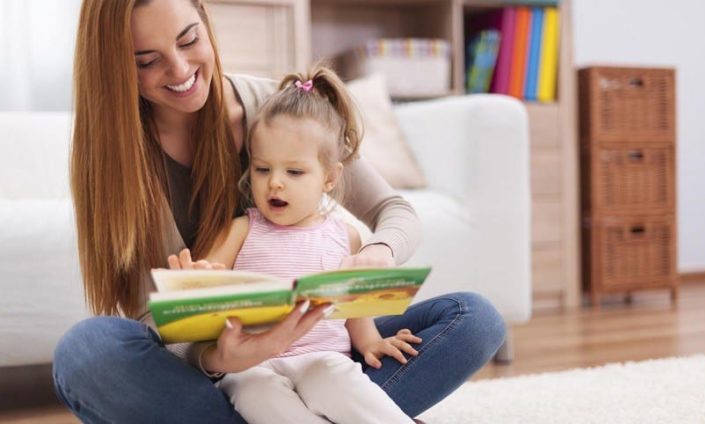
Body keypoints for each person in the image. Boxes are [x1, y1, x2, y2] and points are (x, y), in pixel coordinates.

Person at [52, 0, 506, 423]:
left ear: (207, 27)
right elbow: (150, 319)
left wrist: (379, 253)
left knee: (475, 319)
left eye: (189, 40)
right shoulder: (113, 161)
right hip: (221, 371)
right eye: (147, 61)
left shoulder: (276, 112)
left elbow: (394, 209)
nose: (180, 69)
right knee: (87, 352)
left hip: (320, 352)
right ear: (116, 68)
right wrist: (220, 357)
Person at [166, 66, 417, 423]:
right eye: (262, 170)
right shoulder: (240, 229)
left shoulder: (346, 236)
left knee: (344, 382)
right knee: (256, 393)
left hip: (323, 358)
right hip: (252, 365)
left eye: (294, 172)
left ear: (329, 177)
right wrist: (193, 280)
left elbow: (352, 312)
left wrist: (373, 342)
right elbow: (203, 295)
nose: (275, 184)